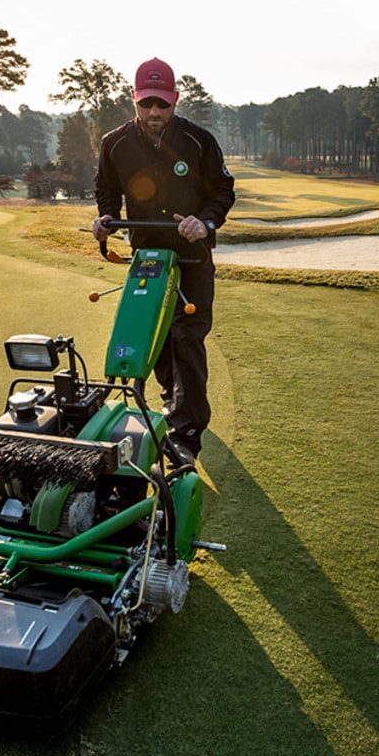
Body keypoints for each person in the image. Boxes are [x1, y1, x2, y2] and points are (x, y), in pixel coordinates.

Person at [93, 57, 235, 464]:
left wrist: (205, 222)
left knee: (187, 336)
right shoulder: (115, 143)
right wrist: (105, 218)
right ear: (135, 100)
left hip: (191, 257)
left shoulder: (198, 141)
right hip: (147, 258)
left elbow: (223, 191)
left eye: (163, 105)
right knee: (152, 337)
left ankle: (187, 437)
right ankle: (172, 403)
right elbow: (106, 186)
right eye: (146, 104)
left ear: (175, 100)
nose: (155, 113)